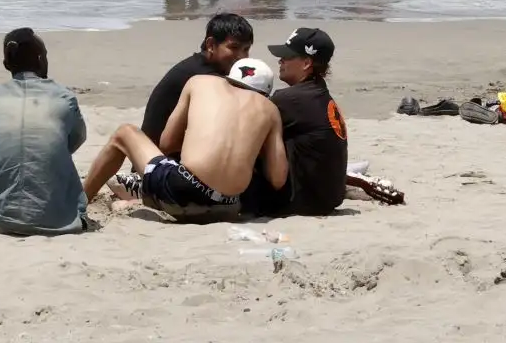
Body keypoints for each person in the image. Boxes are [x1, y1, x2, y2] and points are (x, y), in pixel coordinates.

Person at [81, 61, 287, 221]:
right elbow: (278, 179)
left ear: (229, 77)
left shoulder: (199, 81)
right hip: (228, 207)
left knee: (124, 133)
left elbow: (167, 142)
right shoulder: (270, 110)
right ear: (265, 93)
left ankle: (79, 203)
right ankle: (134, 199)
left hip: (181, 192)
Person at [0, 27, 89, 236]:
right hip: (66, 222)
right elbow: (75, 141)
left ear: (6, 65)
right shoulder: (65, 98)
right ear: (41, 60)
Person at [244, 27, 349, 218]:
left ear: (306, 63)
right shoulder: (319, 92)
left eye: (287, 56)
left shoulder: (290, 99)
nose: (280, 60)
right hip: (328, 197)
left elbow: (244, 131)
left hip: (303, 203)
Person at [140, 13, 256, 144]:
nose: (241, 56)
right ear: (211, 45)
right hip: (158, 158)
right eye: (233, 47)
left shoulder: (202, 67)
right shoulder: (204, 77)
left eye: (246, 49)